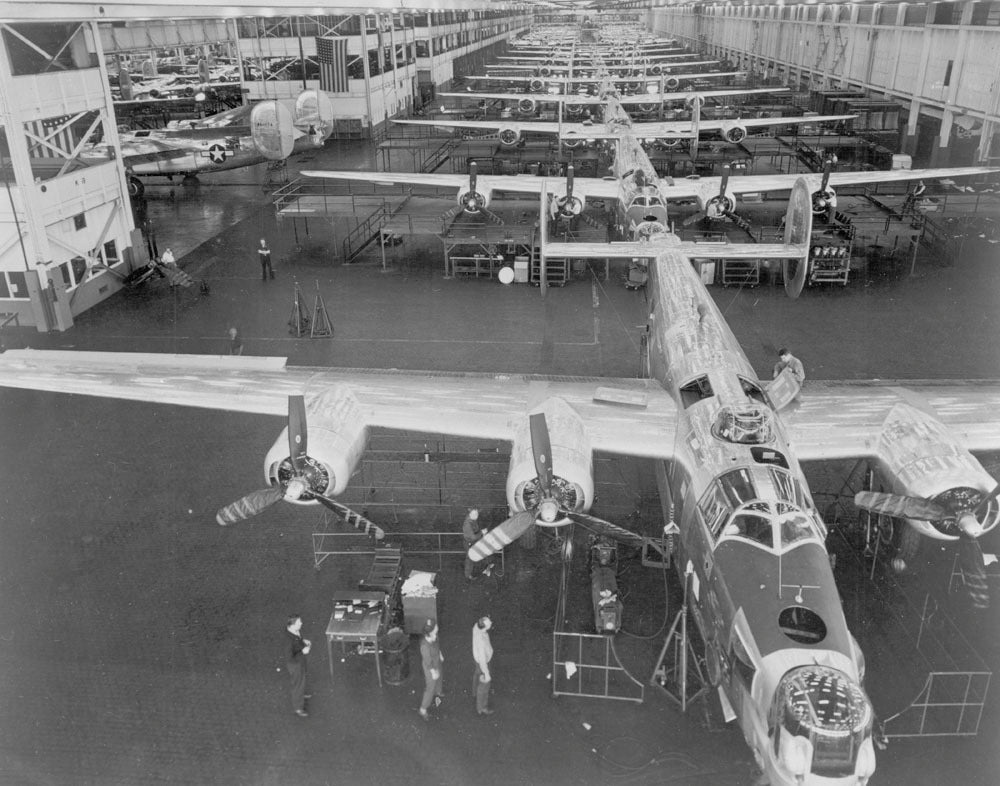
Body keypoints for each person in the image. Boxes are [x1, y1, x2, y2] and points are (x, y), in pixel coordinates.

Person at [285, 614, 311, 718]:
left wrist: (303, 642)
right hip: (295, 665)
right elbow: (290, 655)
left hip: (300, 661)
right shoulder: (289, 640)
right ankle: (298, 708)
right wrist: (305, 648)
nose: (301, 623)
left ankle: (302, 695)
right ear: (292, 625)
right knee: (298, 685)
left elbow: (298, 640)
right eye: (299, 623)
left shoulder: (294, 631)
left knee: (302, 681)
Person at [418, 618, 444, 720]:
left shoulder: (434, 636)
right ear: (431, 631)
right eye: (435, 627)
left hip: (437, 661)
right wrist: (433, 672)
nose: (437, 627)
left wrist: (440, 654)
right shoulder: (424, 646)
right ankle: (423, 709)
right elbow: (427, 661)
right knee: (430, 687)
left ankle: (438, 691)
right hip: (430, 668)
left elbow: (437, 646)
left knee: (440, 676)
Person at [471, 616, 494, 716]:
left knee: (477, 676)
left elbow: (477, 624)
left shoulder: (476, 627)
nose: (491, 622)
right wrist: (486, 673)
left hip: (477, 661)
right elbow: (483, 660)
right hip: (482, 663)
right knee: (484, 685)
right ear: (484, 627)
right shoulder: (481, 641)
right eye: (489, 622)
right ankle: (482, 707)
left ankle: (474, 693)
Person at [462, 508, 481, 581]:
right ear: (469, 514)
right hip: (469, 543)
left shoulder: (472, 520)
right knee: (469, 559)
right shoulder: (468, 524)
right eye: (474, 514)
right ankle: (468, 576)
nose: (476, 515)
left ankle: (469, 574)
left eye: (477, 514)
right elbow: (473, 537)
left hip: (472, 542)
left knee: (471, 558)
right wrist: (481, 533)